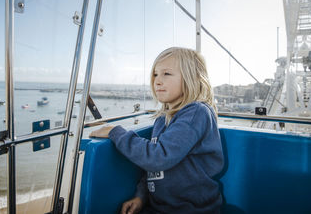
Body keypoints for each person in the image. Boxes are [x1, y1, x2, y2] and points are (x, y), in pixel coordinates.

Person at [90, 47, 224, 214]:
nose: (157, 81)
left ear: (191, 78)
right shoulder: (162, 119)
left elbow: (158, 157)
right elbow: (155, 170)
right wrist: (141, 196)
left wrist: (115, 132)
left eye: (166, 74)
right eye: (155, 74)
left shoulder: (196, 113)